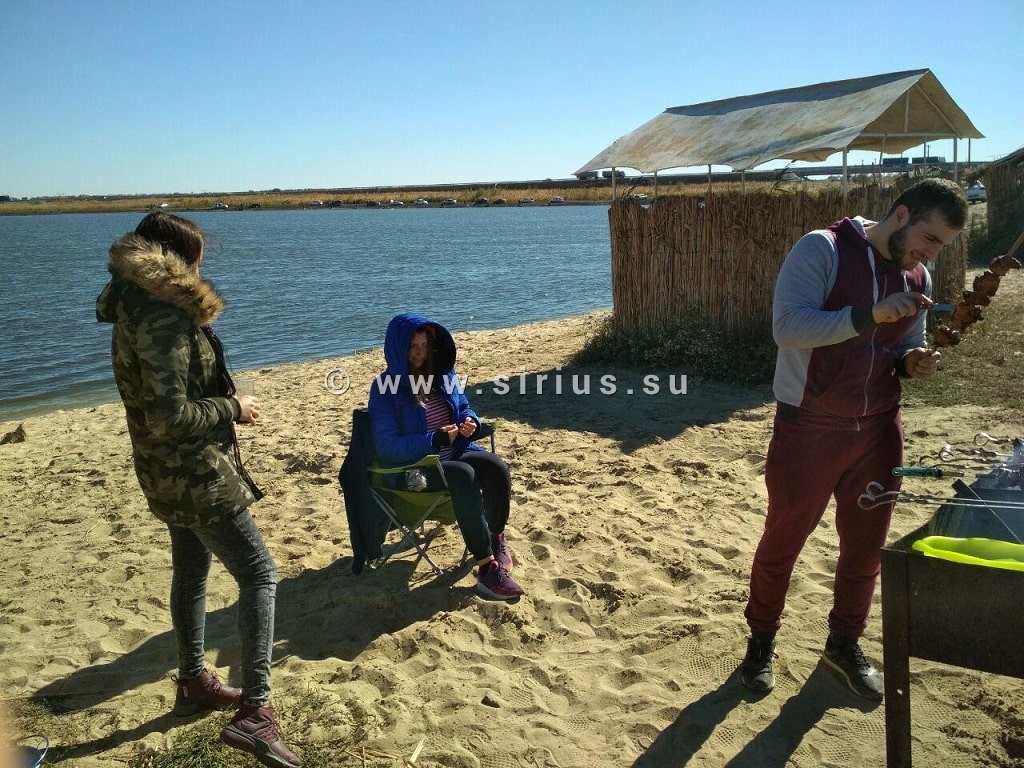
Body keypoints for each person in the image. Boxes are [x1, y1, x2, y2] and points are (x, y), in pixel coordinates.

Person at [741, 178, 968, 700]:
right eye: (930, 238)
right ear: (901, 214)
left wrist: (914, 363)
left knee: (866, 549)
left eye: (941, 246)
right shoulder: (822, 249)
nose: (931, 254)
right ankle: (761, 641)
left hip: (879, 429)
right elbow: (787, 328)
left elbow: (907, 343)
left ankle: (843, 644)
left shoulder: (917, 271)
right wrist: (869, 316)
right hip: (809, 425)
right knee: (783, 542)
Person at [96, 211, 300, 768]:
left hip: (163, 471)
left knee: (191, 570)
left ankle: (192, 682)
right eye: (198, 259)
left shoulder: (133, 302)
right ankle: (256, 712)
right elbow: (169, 415)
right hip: (193, 473)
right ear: (177, 261)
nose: (202, 269)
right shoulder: (163, 314)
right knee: (259, 574)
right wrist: (233, 406)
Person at [367, 313, 524, 600]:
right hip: (412, 474)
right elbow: (387, 447)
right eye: (413, 347)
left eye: (425, 346)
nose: (420, 353)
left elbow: (464, 407)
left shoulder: (443, 375)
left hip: (454, 454)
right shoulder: (384, 389)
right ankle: (487, 569)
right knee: (463, 475)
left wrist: (470, 422)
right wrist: (434, 439)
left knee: (496, 467)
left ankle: (495, 537)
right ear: (398, 348)